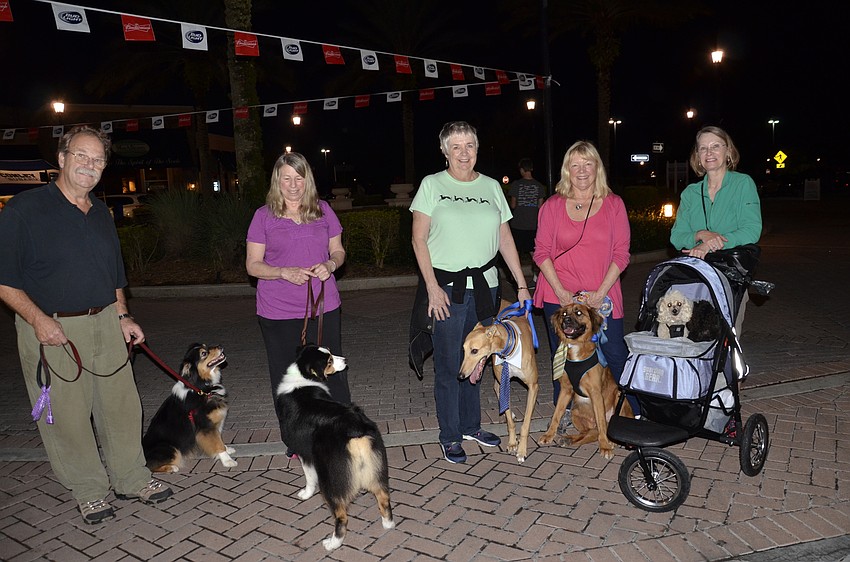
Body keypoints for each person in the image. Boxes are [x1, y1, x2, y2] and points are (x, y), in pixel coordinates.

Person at [0, 126, 173, 525]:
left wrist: (123, 315)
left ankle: (131, 478)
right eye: (81, 156)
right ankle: (89, 490)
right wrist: (38, 320)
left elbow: (114, 276)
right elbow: (5, 279)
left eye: (97, 160)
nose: (89, 165)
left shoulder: (99, 212)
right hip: (52, 328)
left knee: (121, 407)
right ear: (61, 158)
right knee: (69, 415)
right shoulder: (25, 210)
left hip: (105, 324)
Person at [409, 121, 532, 464]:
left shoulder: (492, 186)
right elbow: (419, 239)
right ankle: (449, 434)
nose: (464, 153)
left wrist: (520, 284)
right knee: (449, 365)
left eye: (470, 146)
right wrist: (431, 287)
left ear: (477, 149)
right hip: (446, 289)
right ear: (445, 151)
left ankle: (471, 426)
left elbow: (505, 239)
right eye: (457, 146)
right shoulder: (432, 185)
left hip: (486, 288)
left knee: (478, 357)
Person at [246, 151, 350, 456]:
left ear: (308, 180)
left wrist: (330, 265)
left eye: (299, 178)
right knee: (286, 377)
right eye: (286, 178)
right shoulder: (263, 216)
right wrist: (282, 272)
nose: (293, 185)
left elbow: (339, 252)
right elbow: (253, 265)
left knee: (334, 370)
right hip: (277, 311)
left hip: (323, 307)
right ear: (277, 181)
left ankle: (340, 429)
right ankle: (297, 439)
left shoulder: (324, 211)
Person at [532, 140, 632, 432]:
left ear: (597, 167)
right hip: (558, 293)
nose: (582, 170)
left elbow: (621, 253)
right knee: (562, 357)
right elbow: (542, 252)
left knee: (614, 353)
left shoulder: (613, 204)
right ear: (567, 170)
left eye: (588, 163)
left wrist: (599, 294)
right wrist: (563, 294)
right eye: (575, 164)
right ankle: (563, 413)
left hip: (603, 295)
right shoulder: (552, 206)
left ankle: (633, 412)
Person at [670, 125, 762, 335]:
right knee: (691, 335)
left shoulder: (742, 184)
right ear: (697, 155)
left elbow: (751, 230)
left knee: (724, 337)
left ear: (728, 151)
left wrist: (710, 243)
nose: (709, 153)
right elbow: (677, 237)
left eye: (715, 146)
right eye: (703, 148)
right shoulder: (690, 193)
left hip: (730, 274)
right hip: (695, 276)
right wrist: (700, 234)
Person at [507, 157, 546, 260]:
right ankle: (536, 275)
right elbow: (540, 207)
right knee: (534, 252)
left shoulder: (516, 185)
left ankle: (516, 275)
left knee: (515, 253)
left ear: (522, 170)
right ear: (531, 169)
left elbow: (513, 205)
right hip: (533, 224)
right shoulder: (539, 186)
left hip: (518, 224)